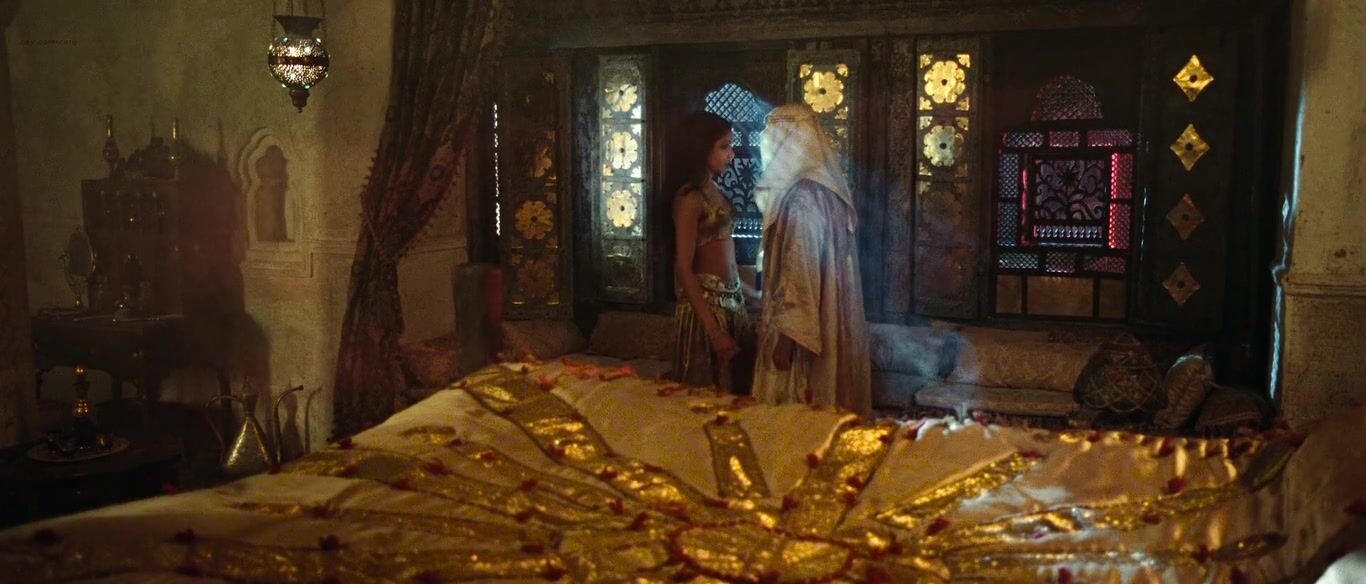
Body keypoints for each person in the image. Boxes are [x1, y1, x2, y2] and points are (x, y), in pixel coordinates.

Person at [751, 103, 871, 416]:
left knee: (794, 421)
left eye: (774, 138)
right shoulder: (827, 192)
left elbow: (799, 272)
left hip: (803, 341)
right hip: (831, 323)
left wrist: (785, 341)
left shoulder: (802, 199)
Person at [666, 111, 760, 393]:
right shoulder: (690, 197)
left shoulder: (716, 191)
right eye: (724, 146)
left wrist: (752, 294)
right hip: (706, 310)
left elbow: (726, 262)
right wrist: (713, 330)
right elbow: (683, 268)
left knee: (738, 394)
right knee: (706, 397)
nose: (731, 154)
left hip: (733, 305)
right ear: (701, 148)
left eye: (730, 146)